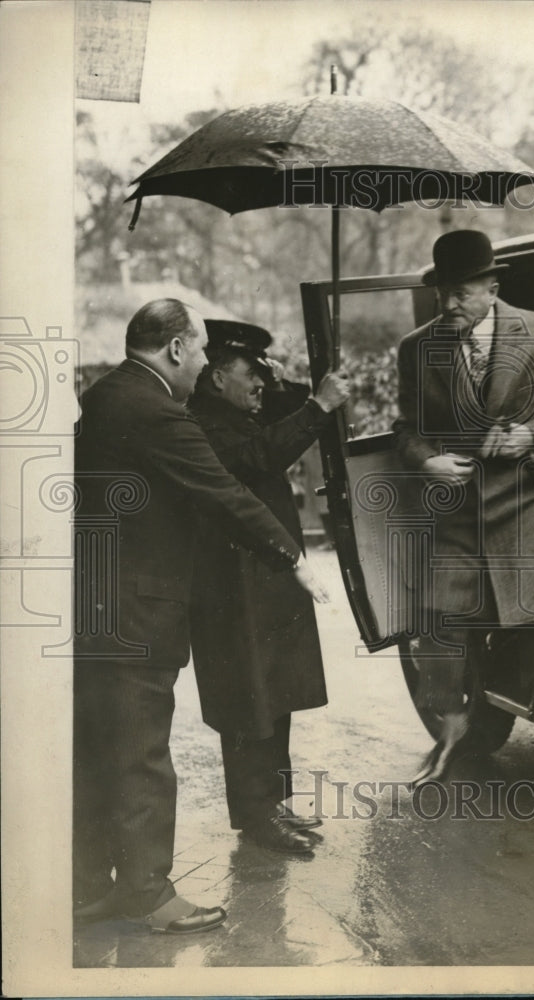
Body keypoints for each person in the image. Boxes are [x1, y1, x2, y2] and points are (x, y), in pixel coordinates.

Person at [73, 299, 328, 934]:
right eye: (201, 351)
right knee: (141, 755)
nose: (205, 366)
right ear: (179, 349)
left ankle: (88, 889)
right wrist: (292, 557)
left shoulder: (108, 393)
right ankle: (149, 897)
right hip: (139, 607)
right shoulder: (160, 411)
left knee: (99, 751)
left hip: (100, 599)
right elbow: (223, 492)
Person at [392, 230, 534, 787]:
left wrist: (533, 438)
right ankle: (451, 739)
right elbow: (407, 429)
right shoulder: (416, 347)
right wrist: (428, 463)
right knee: (445, 628)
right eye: (442, 292)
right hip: (459, 510)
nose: (448, 305)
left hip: (528, 504)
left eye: (461, 293)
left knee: (533, 614)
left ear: (492, 286)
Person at [187, 322, 349, 854]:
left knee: (274, 692)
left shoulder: (236, 413)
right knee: (247, 700)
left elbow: (285, 414)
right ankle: (256, 817)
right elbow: (260, 455)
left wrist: (281, 387)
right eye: (250, 371)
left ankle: (274, 803)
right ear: (215, 377)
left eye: (263, 369)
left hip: (263, 579)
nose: (260, 381)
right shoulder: (204, 423)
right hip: (232, 588)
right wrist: (317, 408)